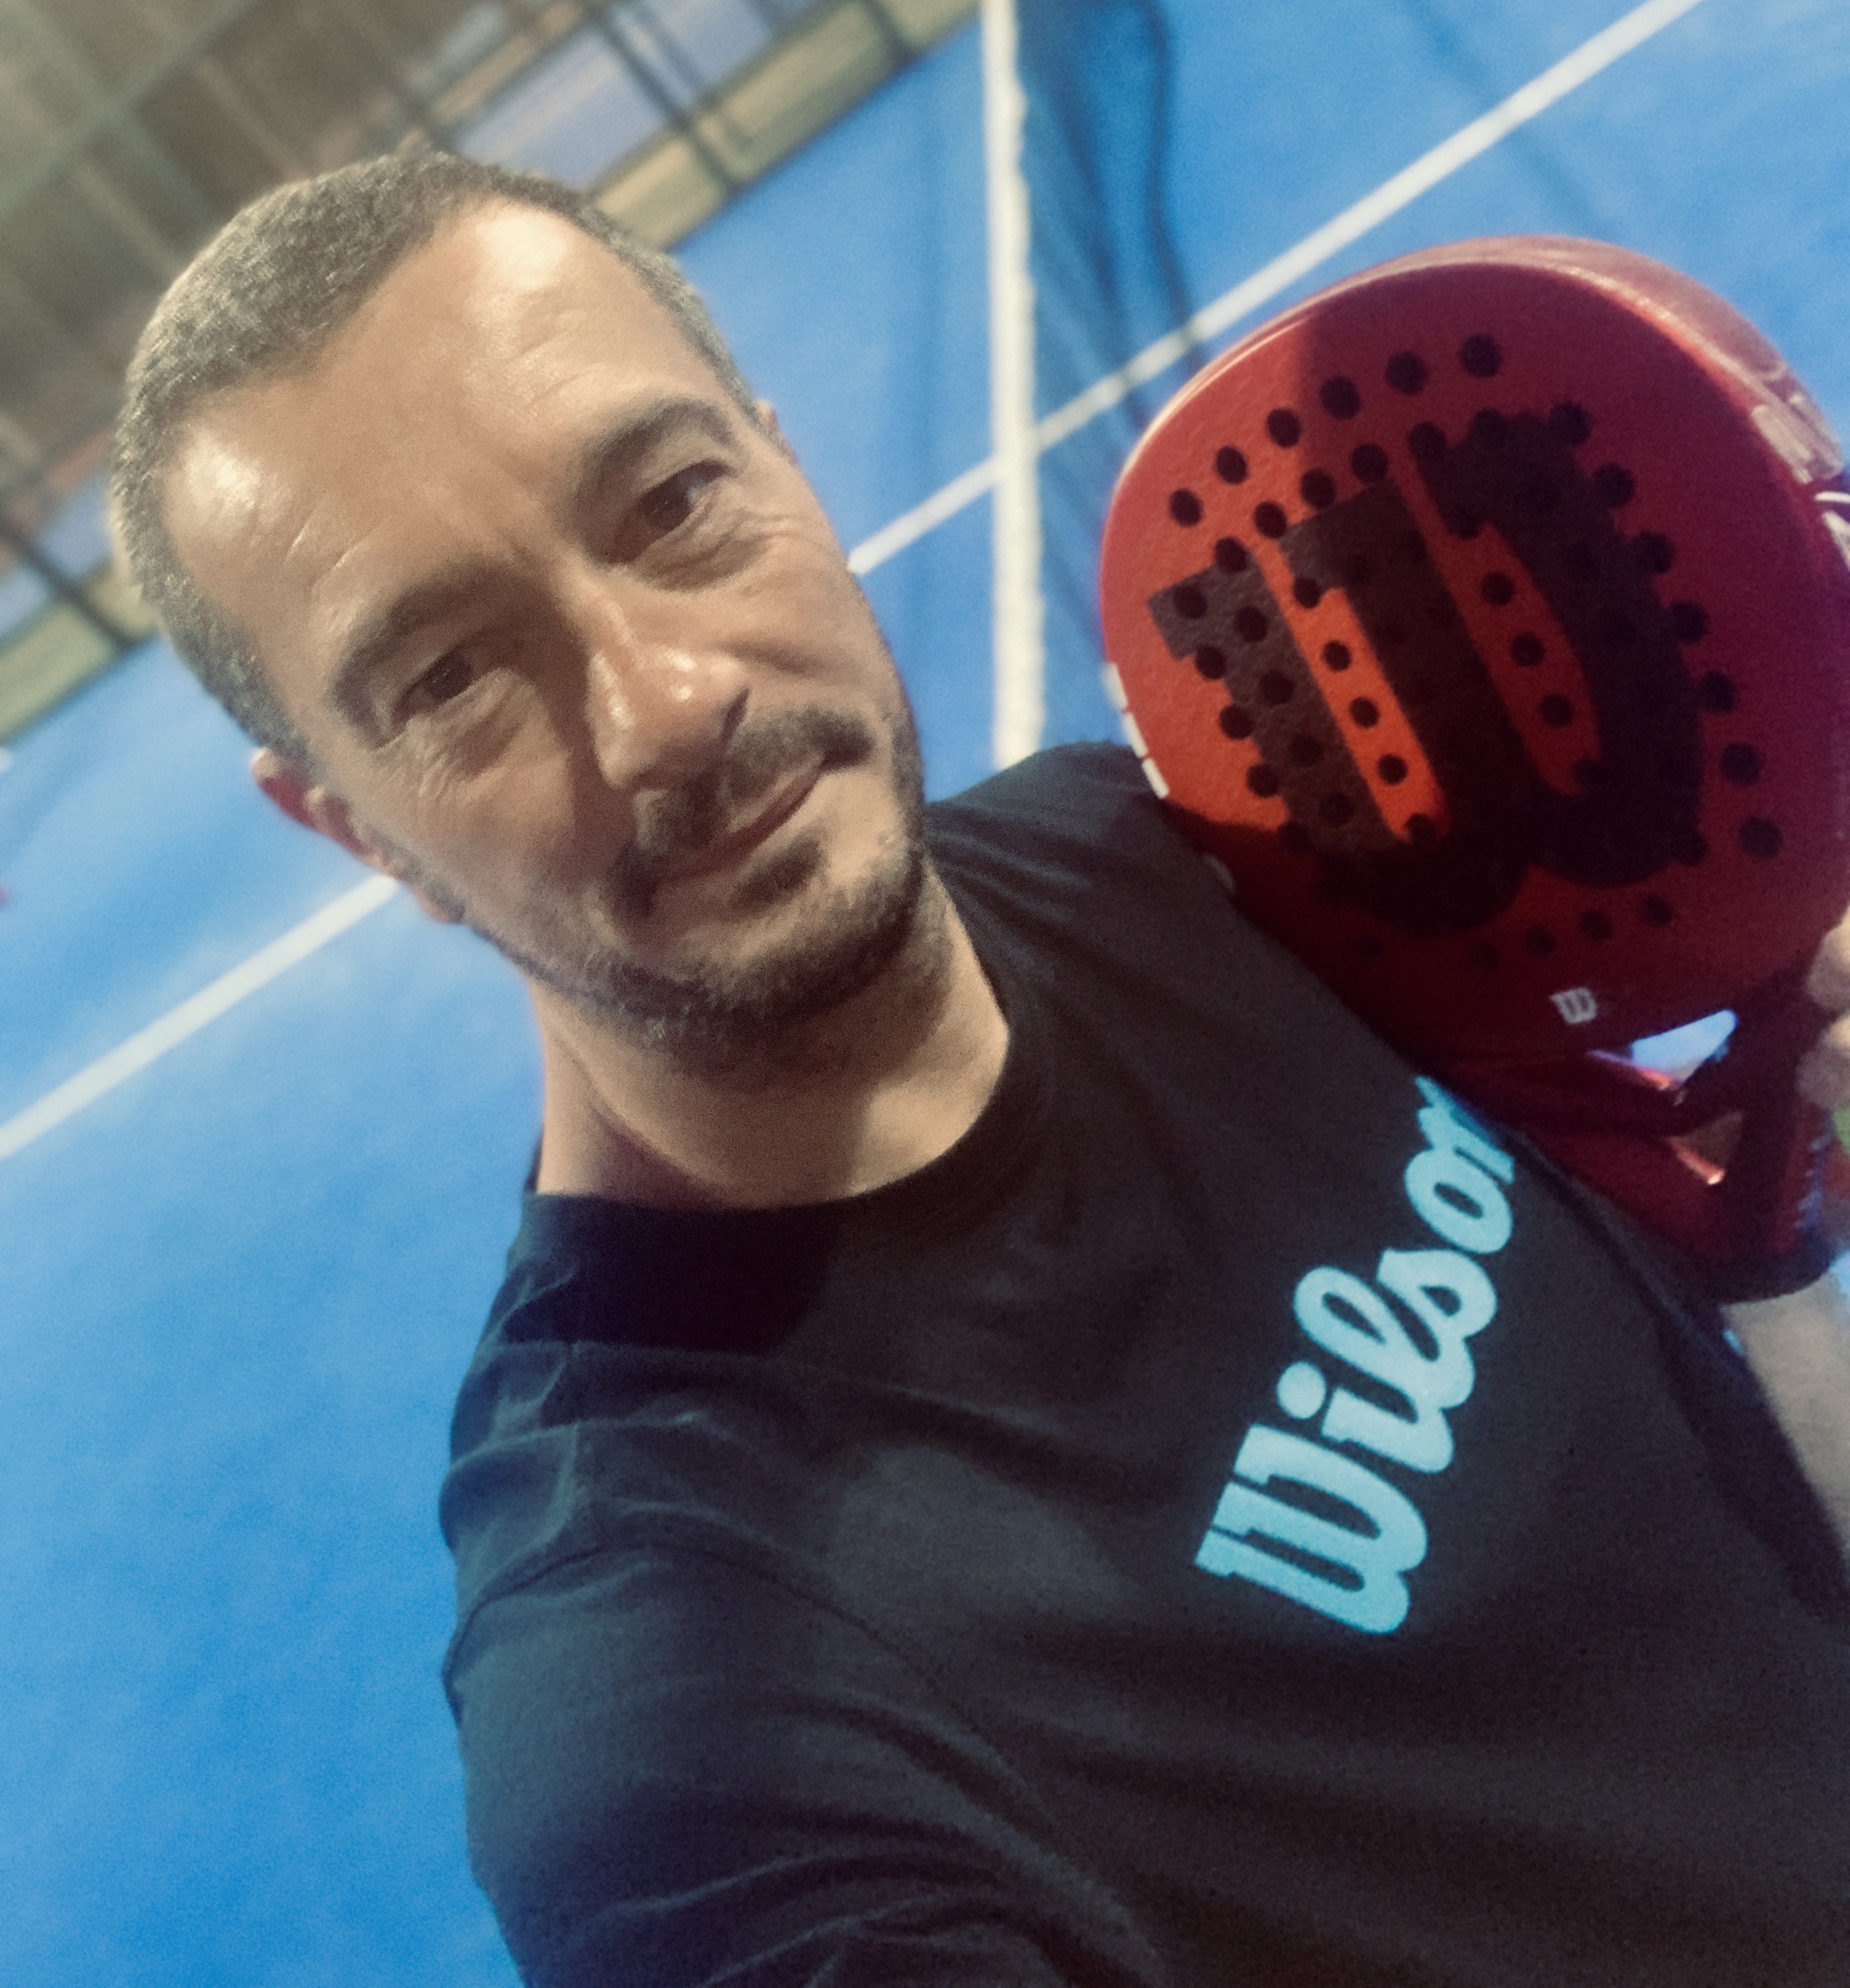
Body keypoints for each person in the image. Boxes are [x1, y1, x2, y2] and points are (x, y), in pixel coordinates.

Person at [111, 153, 1850, 1986]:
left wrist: (1784, 1223)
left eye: (674, 501)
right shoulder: (680, 1740)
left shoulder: (1155, 845)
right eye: (455, 673)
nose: (665, 703)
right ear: (351, 822)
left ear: (785, 464)